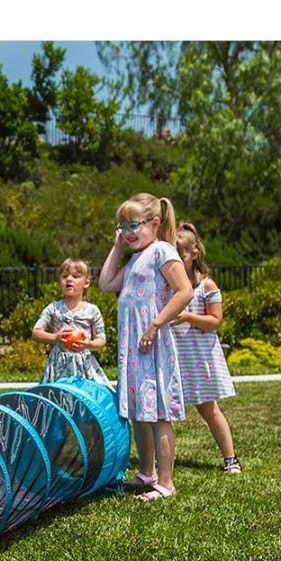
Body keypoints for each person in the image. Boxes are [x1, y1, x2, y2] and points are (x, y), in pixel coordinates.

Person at [98, 193, 193, 502]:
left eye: (134, 225)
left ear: (155, 223)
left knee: (159, 415)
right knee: (140, 413)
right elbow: (105, 283)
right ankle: (147, 472)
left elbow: (184, 292)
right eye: (122, 226)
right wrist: (117, 247)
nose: (128, 232)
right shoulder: (135, 257)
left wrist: (155, 324)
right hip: (134, 349)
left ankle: (166, 482)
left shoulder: (162, 251)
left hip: (153, 346)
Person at [171, 223, 242, 474]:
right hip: (174, 357)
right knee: (164, 413)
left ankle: (231, 459)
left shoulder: (206, 286)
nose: (177, 261)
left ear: (194, 254)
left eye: (181, 255)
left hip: (198, 358)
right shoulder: (171, 286)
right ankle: (160, 463)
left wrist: (188, 317)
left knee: (209, 409)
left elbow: (215, 321)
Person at [31, 258, 111, 387]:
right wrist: (55, 337)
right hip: (58, 365)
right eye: (64, 276)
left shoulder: (92, 310)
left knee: (86, 397)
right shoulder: (53, 308)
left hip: (84, 363)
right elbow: (36, 332)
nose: (69, 279)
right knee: (57, 396)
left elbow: (101, 339)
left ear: (86, 283)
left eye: (75, 276)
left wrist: (88, 344)